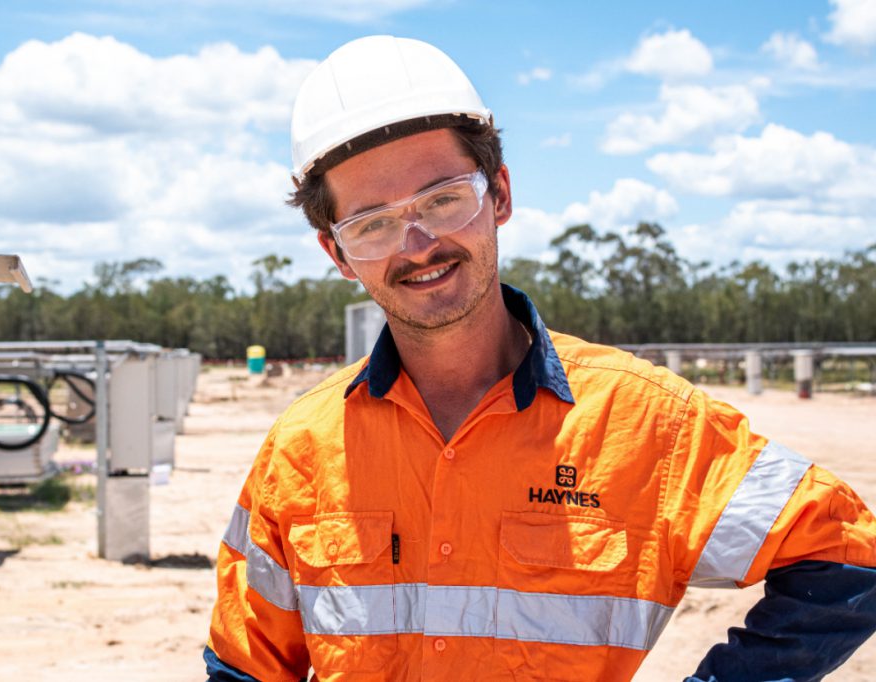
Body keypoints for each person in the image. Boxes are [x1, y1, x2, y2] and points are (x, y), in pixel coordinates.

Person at [205, 35, 876, 681]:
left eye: (443, 200)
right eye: (371, 223)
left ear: (498, 195)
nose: (417, 243)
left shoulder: (645, 424)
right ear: (338, 255)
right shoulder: (299, 450)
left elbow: (850, 555)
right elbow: (243, 667)